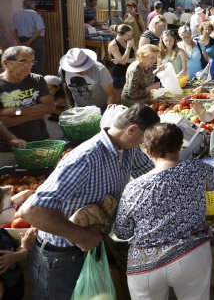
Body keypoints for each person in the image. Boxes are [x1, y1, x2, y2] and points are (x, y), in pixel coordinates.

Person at [20, 104, 158, 299]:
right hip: (60, 257)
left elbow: (152, 176)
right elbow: (31, 211)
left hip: (91, 249)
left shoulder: (128, 149)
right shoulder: (85, 158)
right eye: (145, 138)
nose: (146, 143)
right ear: (132, 130)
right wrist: (80, 236)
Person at [115, 123, 214, 300]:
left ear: (148, 152)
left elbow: (122, 231)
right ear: (181, 146)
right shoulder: (195, 168)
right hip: (189, 255)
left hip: (144, 264)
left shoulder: (133, 187)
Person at [0, 46, 53, 143]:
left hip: (40, 140)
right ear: (6, 63)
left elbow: (49, 107)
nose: (28, 66)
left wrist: (16, 111)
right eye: (22, 61)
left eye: (31, 62)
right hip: (8, 147)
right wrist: (31, 116)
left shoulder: (37, 79)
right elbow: (2, 121)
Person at [10, 0, 46, 76]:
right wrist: (29, 42)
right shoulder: (35, 16)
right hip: (35, 41)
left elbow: (12, 30)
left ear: (23, 6)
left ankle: (26, 80)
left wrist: (18, 41)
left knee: (24, 62)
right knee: (37, 62)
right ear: (34, 6)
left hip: (21, 41)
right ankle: (35, 82)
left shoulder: (16, 15)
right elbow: (39, 31)